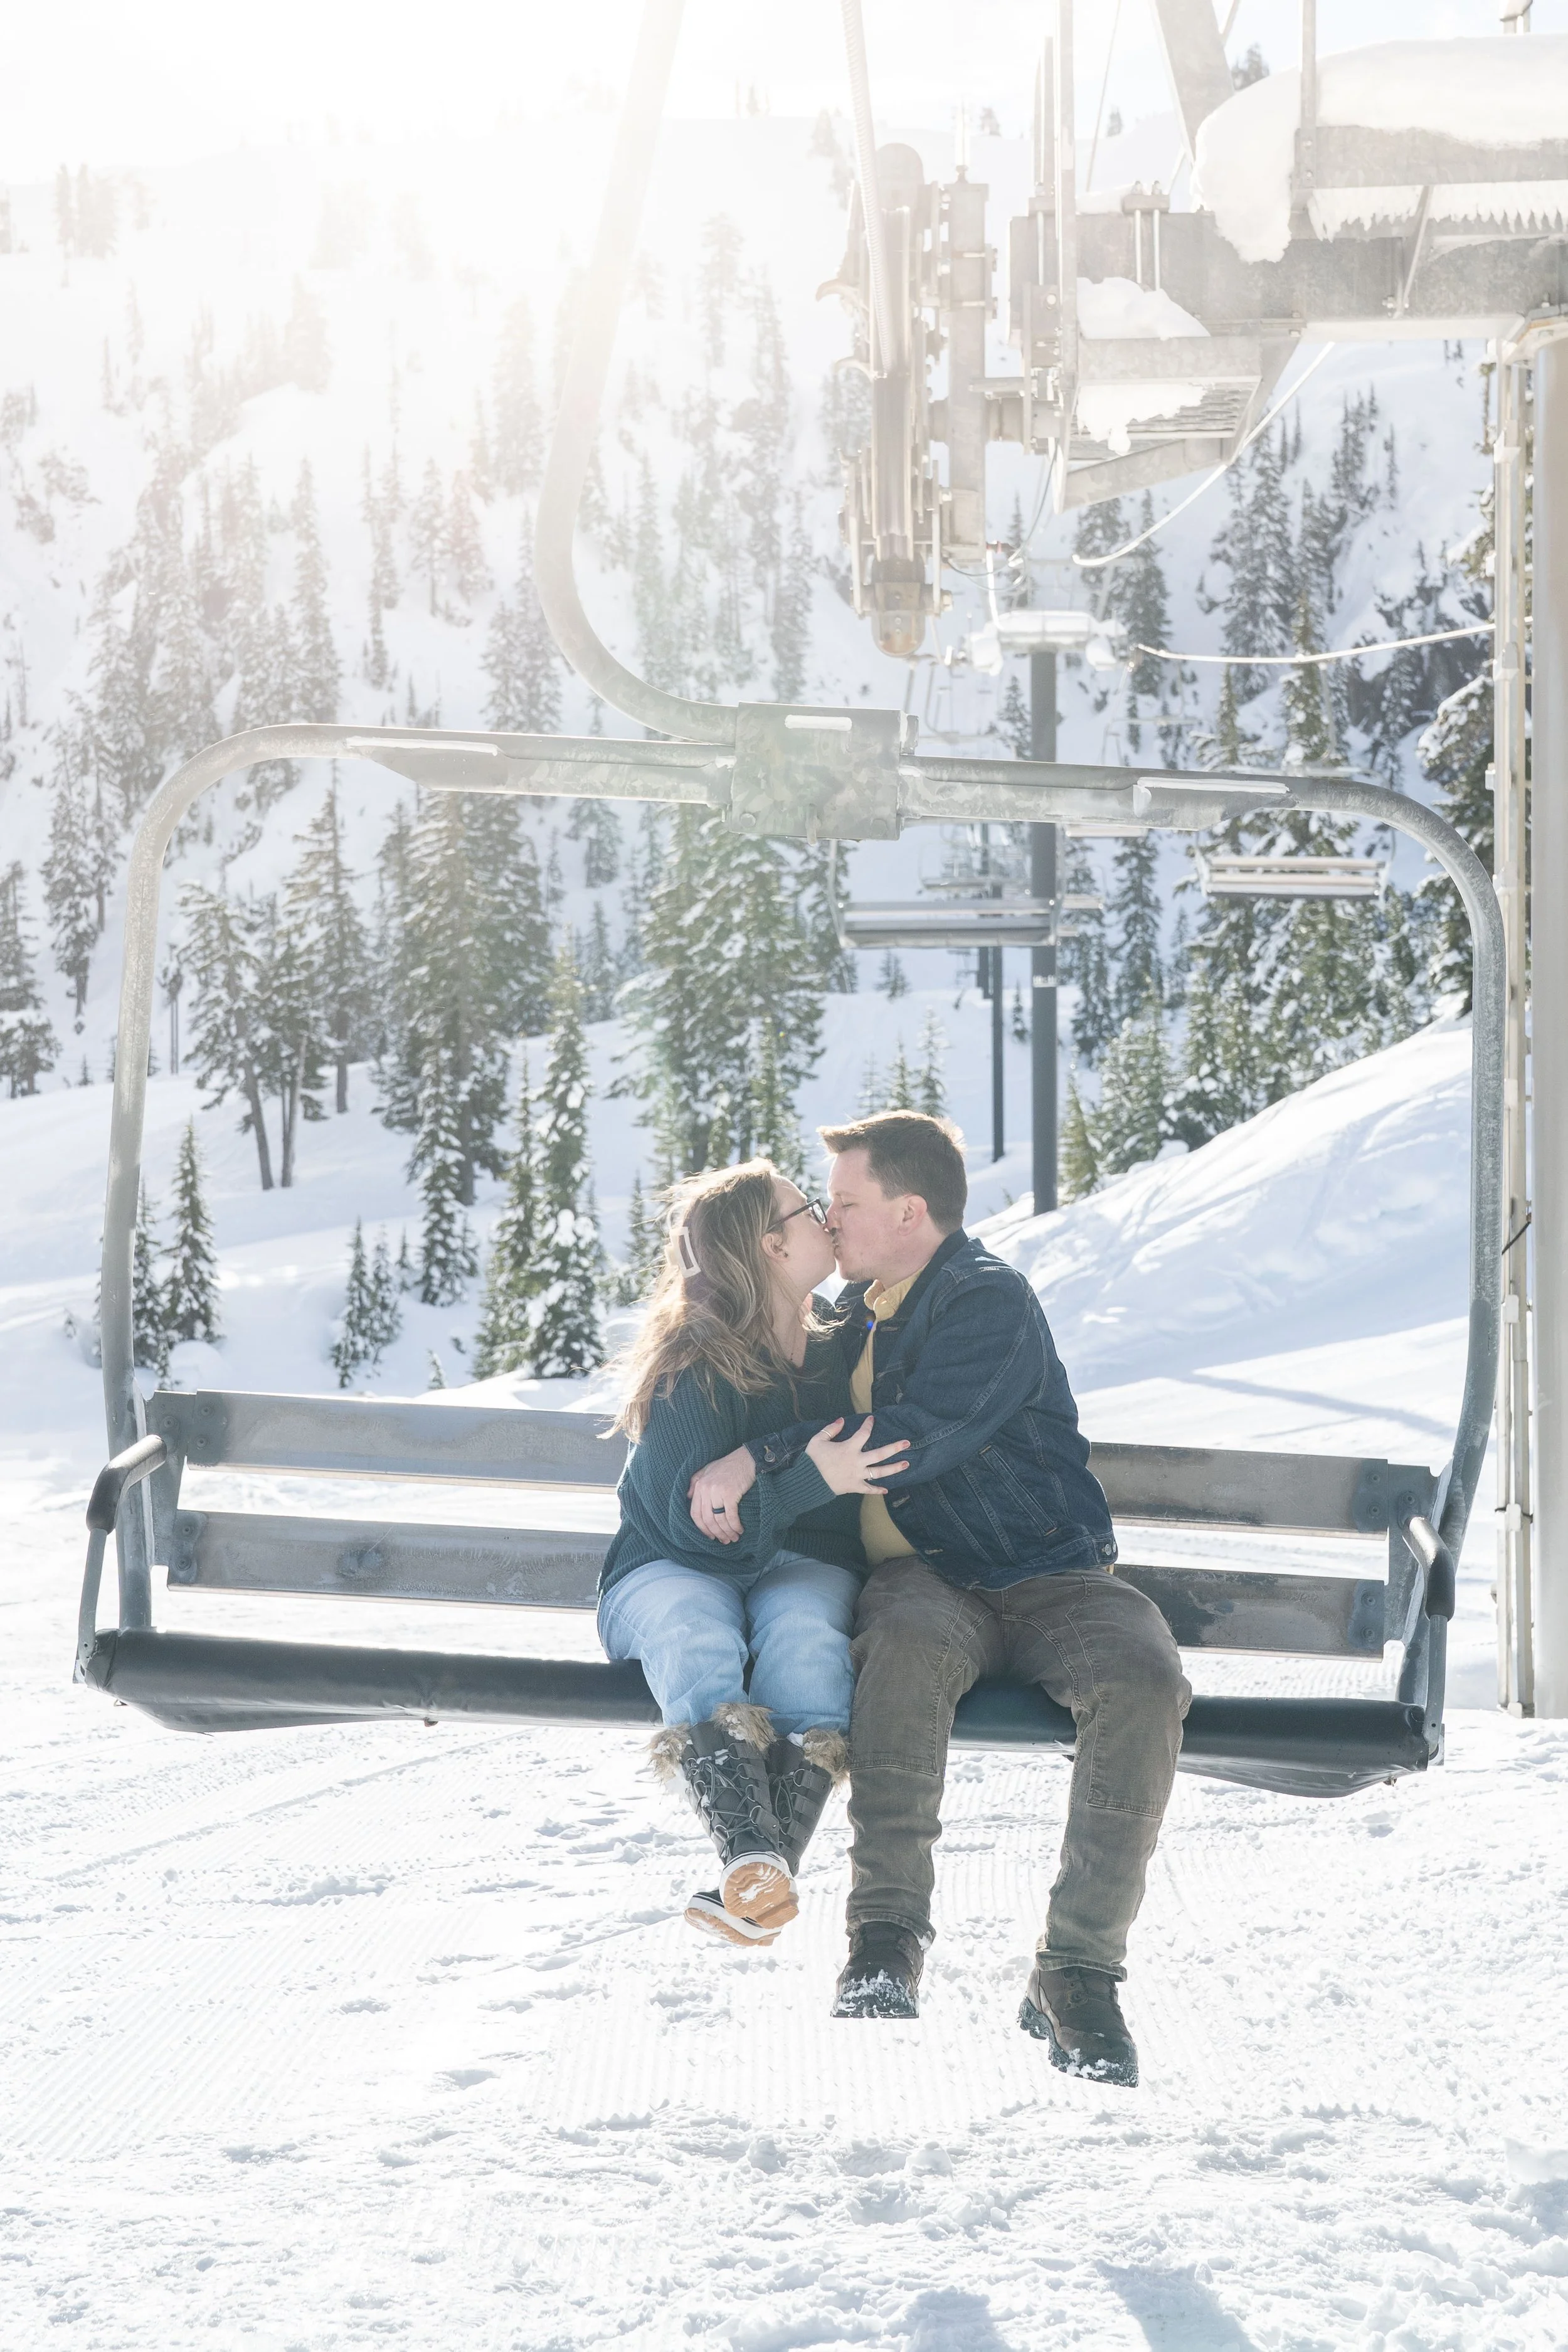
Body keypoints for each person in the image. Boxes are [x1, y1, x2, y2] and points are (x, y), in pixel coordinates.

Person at [686, 1111, 1190, 2084]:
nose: (829, 1223)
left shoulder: (985, 1297)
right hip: (927, 1578)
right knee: (900, 1659)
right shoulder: (854, 1313)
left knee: (1140, 1677)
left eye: (845, 1203)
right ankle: (884, 1941)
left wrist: (758, 1457)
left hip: (1048, 1566)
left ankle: (1077, 1970)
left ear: (910, 1210)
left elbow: (913, 1436)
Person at [600, 1158, 908, 1947]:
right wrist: (808, 1480)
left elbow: (854, 1438)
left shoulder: (841, 1340)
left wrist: (759, 1463)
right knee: (696, 1626)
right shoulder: (696, 1359)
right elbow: (696, 1533)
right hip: (670, 1567)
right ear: (771, 1247)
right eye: (809, 1208)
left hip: (797, 1562)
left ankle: (754, 1878)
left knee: (807, 1630)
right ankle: (755, 1857)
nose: (826, 1220)